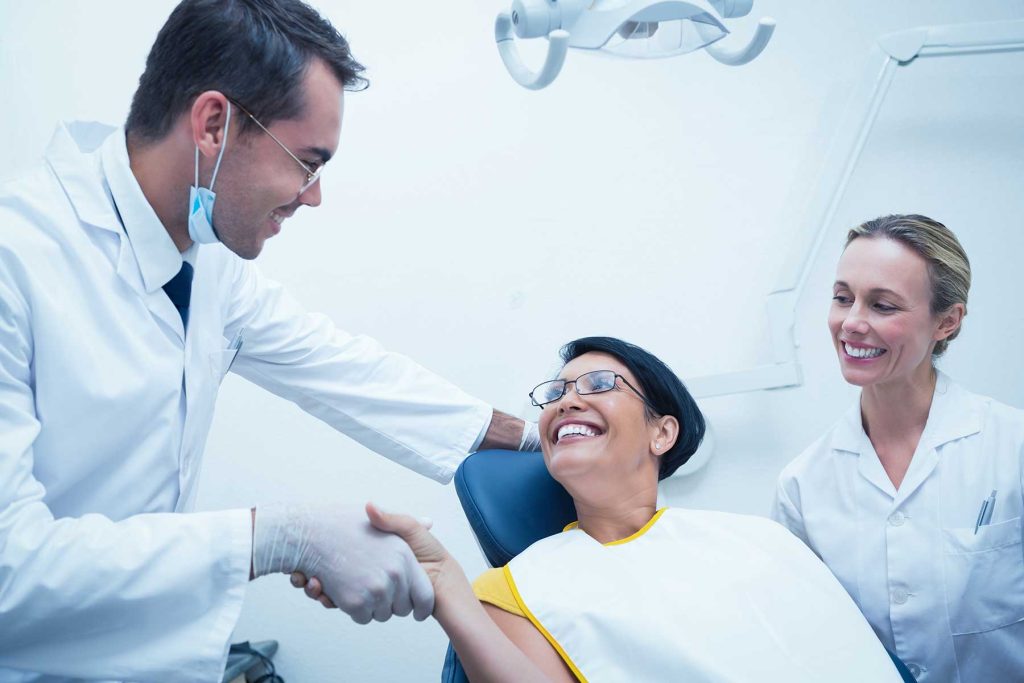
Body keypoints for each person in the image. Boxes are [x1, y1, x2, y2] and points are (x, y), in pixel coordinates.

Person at [0, 1, 538, 681]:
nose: (312, 196)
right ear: (214, 124)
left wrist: (528, 436)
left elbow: (344, 367)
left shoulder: (208, 259)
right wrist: (278, 537)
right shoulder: (16, 259)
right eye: (307, 162)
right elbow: (8, 571)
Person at [358, 337, 902, 681]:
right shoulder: (514, 590)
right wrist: (447, 591)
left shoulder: (760, 539)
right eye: (556, 393)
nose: (567, 400)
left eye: (599, 385)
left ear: (663, 432)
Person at [771, 214, 1024, 682]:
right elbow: (807, 640)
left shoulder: (1012, 448)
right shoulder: (803, 485)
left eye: (883, 306)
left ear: (947, 321)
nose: (851, 323)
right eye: (842, 298)